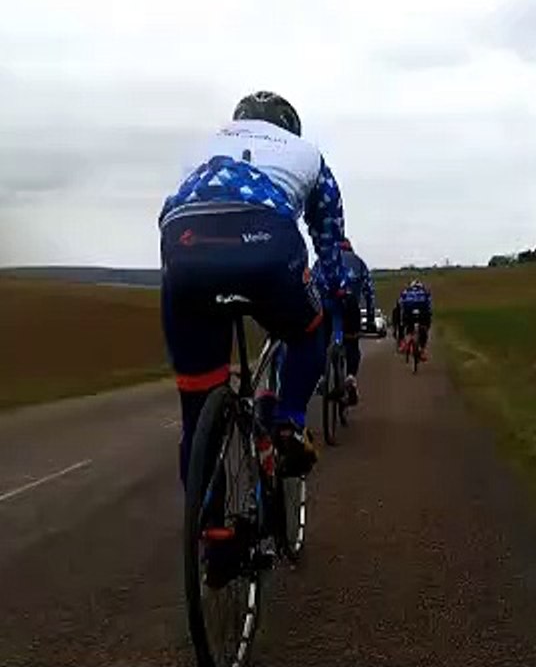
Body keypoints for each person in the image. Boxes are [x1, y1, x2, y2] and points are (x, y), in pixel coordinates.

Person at [159, 91, 347, 485]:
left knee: (196, 415)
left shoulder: (204, 145)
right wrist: (331, 287)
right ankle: (289, 422)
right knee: (310, 329)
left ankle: (211, 533)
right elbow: (328, 234)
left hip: (185, 247)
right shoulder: (306, 153)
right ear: (289, 127)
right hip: (265, 242)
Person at [312, 239, 375, 404]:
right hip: (350, 306)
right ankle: (351, 377)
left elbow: (311, 284)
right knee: (352, 344)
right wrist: (370, 319)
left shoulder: (322, 261)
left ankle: (321, 377)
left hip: (325, 305)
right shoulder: (359, 262)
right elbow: (369, 292)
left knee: (321, 342)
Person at [397, 279, 433, 359]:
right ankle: (423, 350)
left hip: (408, 313)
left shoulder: (406, 292)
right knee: (424, 329)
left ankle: (405, 342)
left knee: (407, 327)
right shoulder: (425, 292)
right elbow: (429, 305)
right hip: (422, 314)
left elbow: (400, 303)